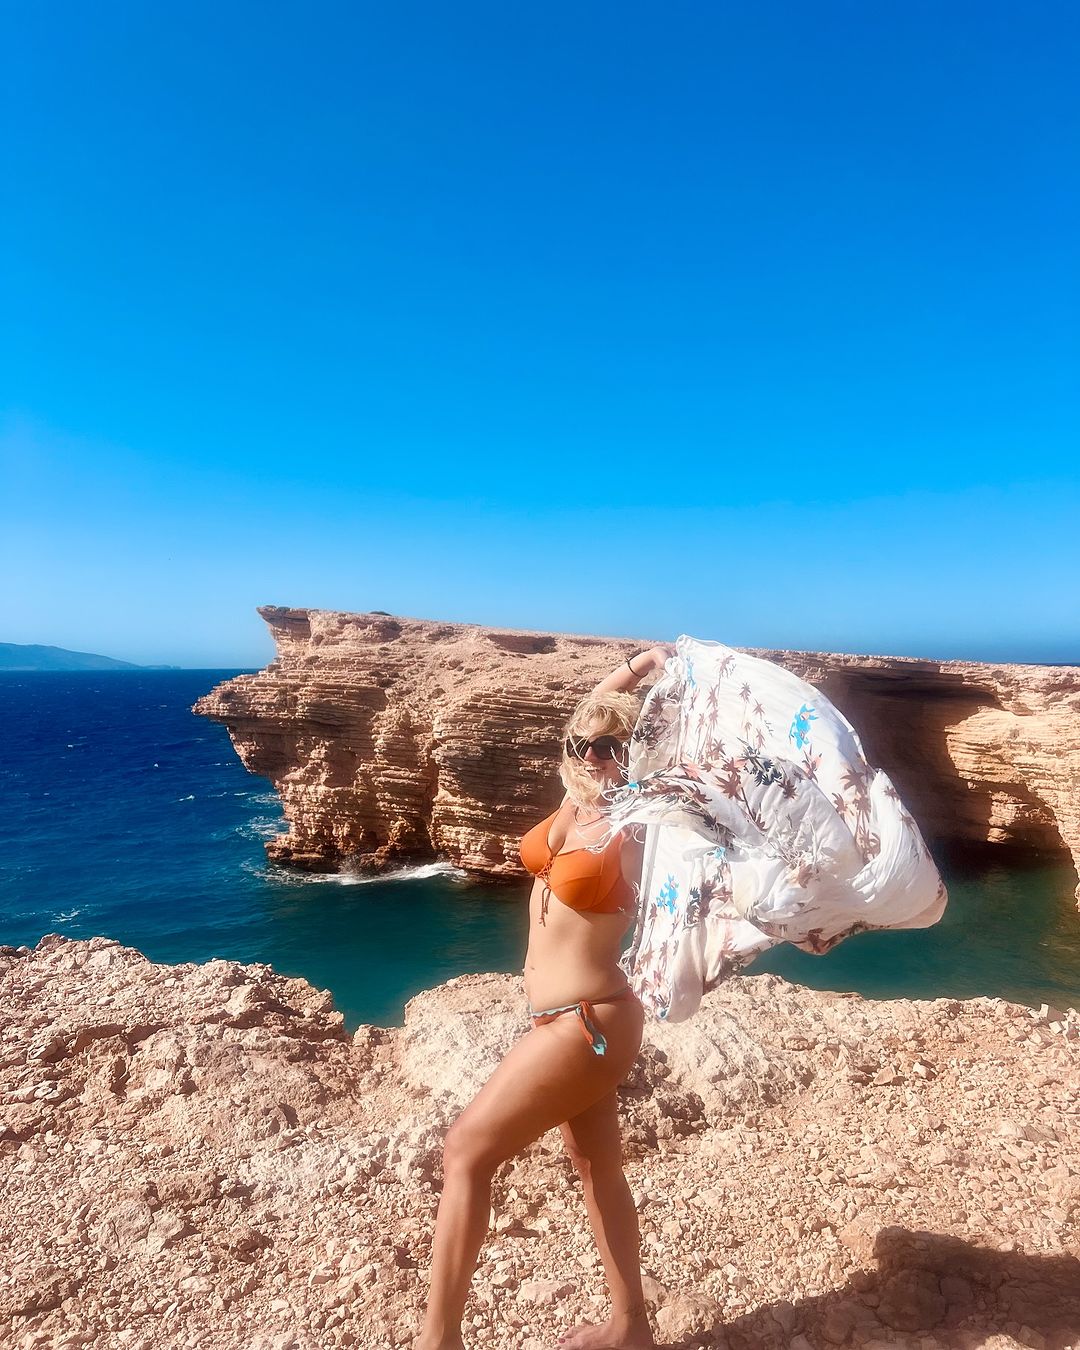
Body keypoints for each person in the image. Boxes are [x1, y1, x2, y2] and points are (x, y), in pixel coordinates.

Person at [414, 645, 673, 1350]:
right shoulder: (576, 804)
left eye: (611, 746)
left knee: (465, 1150)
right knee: (596, 1169)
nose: (593, 755)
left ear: (637, 750)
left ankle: (438, 1341)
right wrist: (641, 663)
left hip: (588, 1022)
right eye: (585, 745)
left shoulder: (636, 824)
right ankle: (631, 1326)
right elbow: (589, 710)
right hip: (564, 1020)